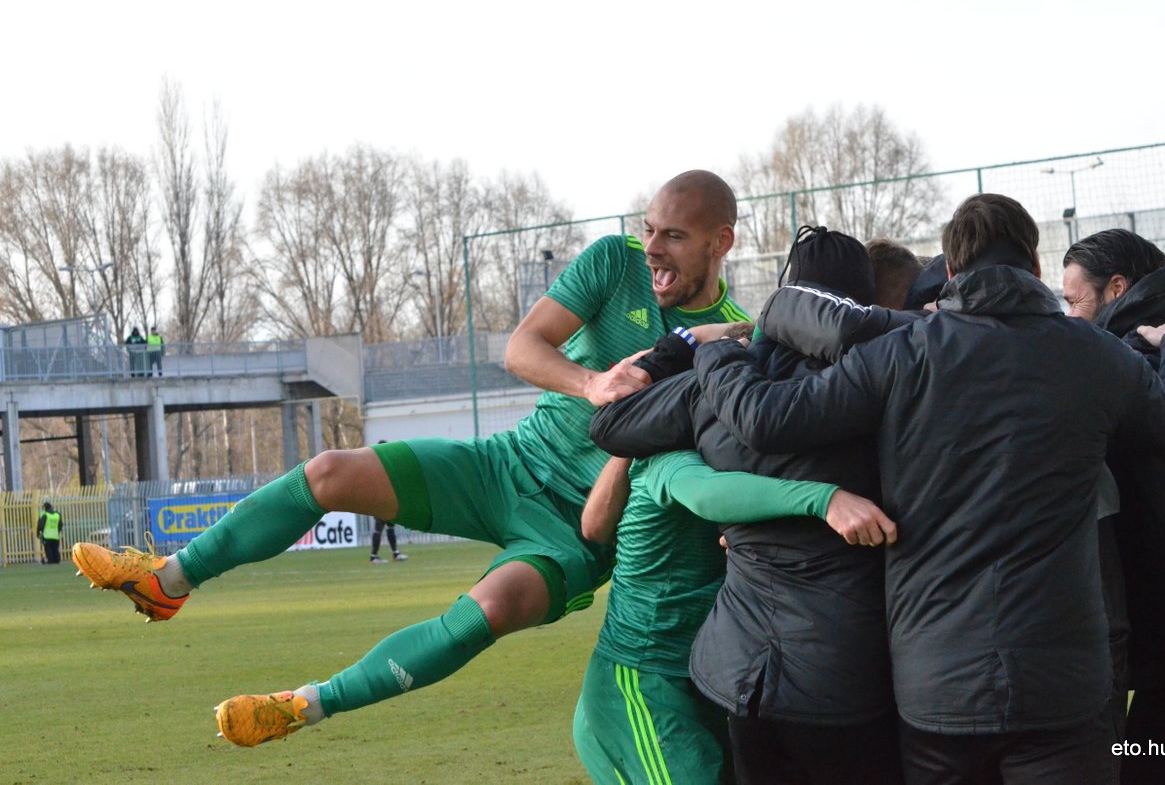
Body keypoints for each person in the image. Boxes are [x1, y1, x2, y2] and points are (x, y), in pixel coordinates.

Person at [70, 170, 752, 747]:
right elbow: (522, 348)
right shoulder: (613, 262)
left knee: (489, 609)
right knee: (331, 471)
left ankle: (303, 704)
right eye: (649, 229)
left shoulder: (734, 348)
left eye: (673, 236)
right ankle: (169, 579)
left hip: (578, 531)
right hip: (508, 461)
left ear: (720, 242)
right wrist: (593, 383)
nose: (652, 248)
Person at [690, 193, 1165, 784]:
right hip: (1063, 685)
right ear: (1036, 264)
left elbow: (767, 419)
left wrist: (719, 354)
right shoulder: (1095, 353)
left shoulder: (901, 352)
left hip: (936, 686)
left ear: (952, 270)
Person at [591, 227, 909, 784]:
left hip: (741, 672)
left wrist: (686, 345)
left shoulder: (713, 382)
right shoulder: (883, 381)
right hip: (844, 673)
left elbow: (610, 422)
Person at [573, 449, 886, 785]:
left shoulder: (680, 449)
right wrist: (825, 499)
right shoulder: (670, 456)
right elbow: (705, 494)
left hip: (692, 681)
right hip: (642, 686)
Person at [1063, 229, 1165, 785]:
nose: (1067, 316)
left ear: (1116, 288)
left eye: (1074, 300)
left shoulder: (1126, 363)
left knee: (1153, 752)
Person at [368, 440, 409, 564]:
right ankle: (373, 556)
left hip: (388, 500)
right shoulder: (376, 464)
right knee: (379, 528)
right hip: (380, 501)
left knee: (390, 527)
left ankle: (395, 553)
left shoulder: (384, 463)